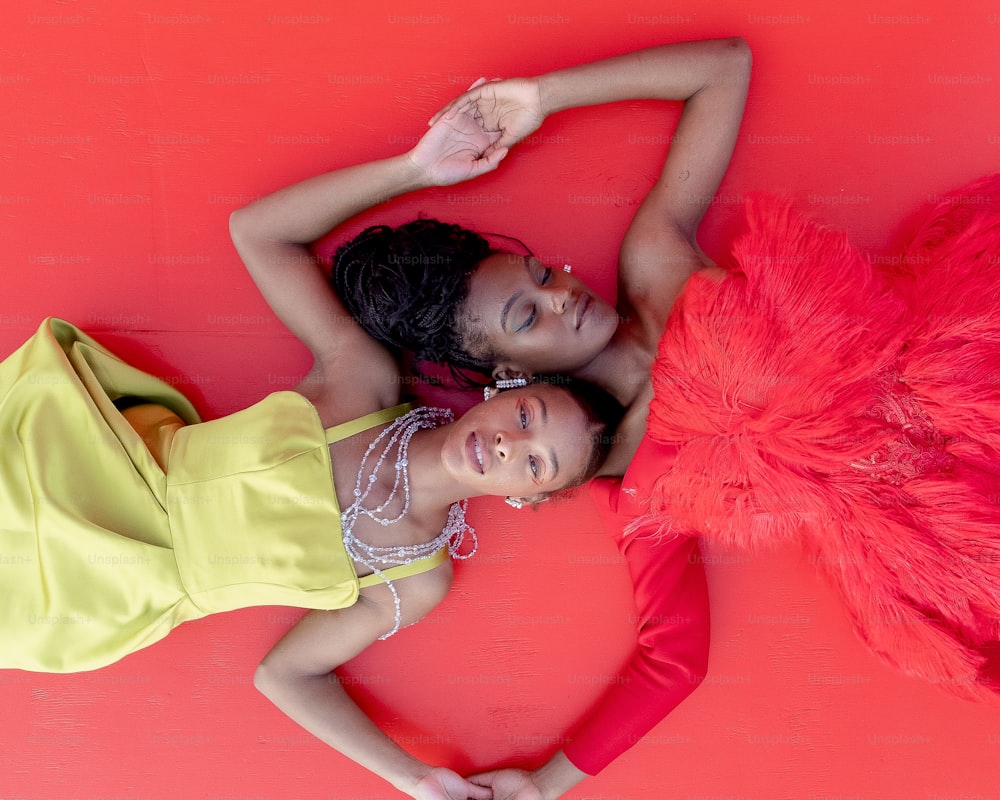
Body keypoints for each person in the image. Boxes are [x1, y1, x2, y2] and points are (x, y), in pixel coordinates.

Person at [0, 105, 622, 800]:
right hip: (73, 463)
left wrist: (415, 781)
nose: (512, 443)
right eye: (528, 414)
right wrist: (415, 168)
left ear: (527, 497)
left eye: (536, 463)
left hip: (96, 588)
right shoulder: (363, 381)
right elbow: (260, 233)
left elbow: (287, 674)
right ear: (504, 389)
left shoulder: (418, 579)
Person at [292, 38, 748, 797]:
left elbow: (724, 67)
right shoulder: (633, 488)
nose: (564, 296)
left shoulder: (654, 260)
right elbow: (676, 659)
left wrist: (544, 98)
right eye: (526, 314)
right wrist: (544, 785)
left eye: (542, 274)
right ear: (508, 375)